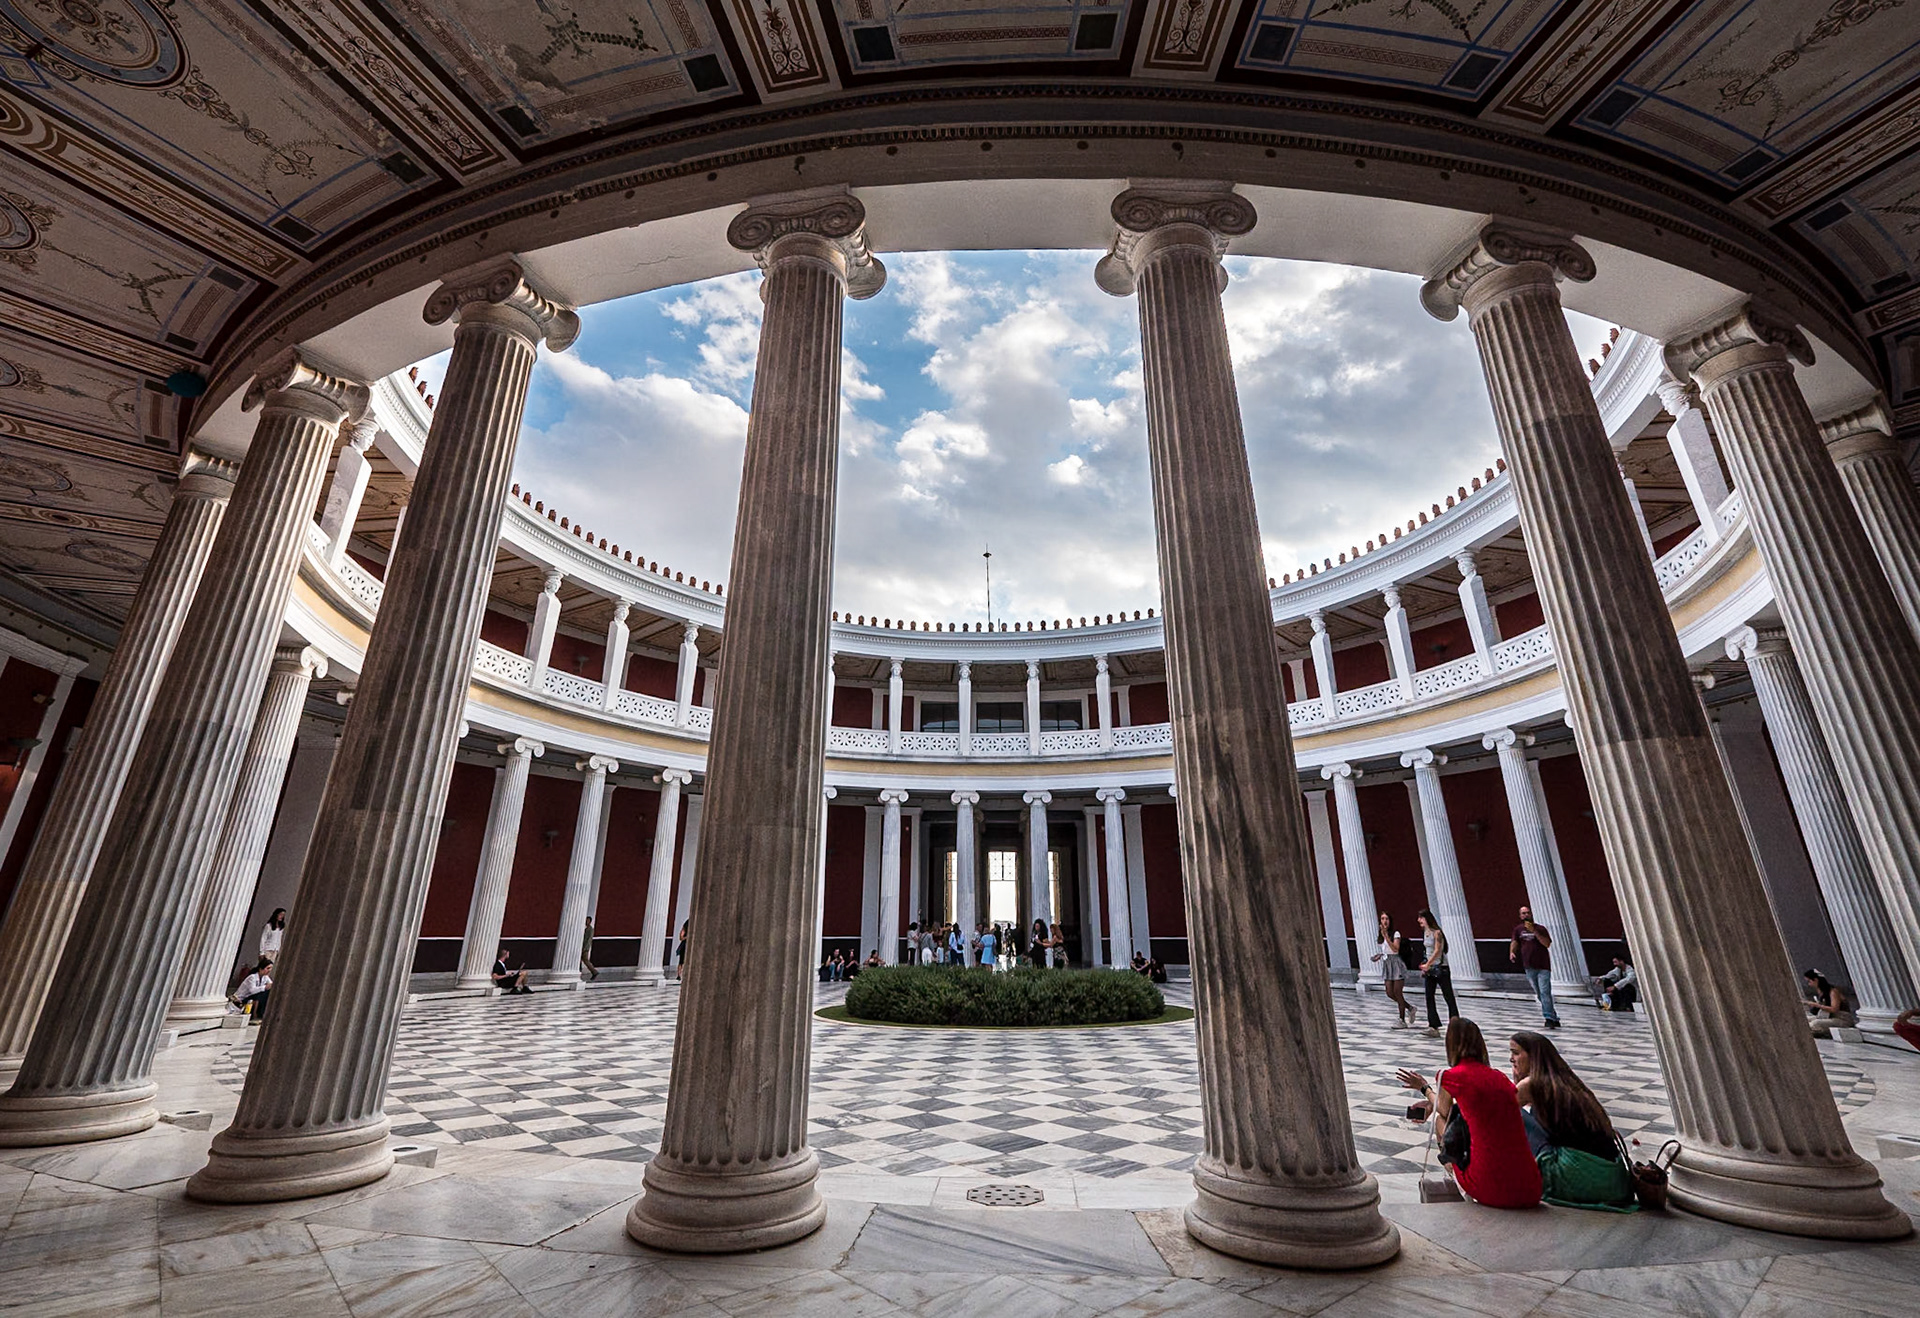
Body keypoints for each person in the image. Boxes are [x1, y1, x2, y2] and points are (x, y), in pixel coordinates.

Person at [1397, 1018, 1541, 1209]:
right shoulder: (1498, 1076)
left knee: (1441, 1120)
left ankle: (1455, 1178)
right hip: (1530, 1186)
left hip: (1492, 1188)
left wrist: (1425, 1089)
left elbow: (1444, 1109)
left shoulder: (1450, 1076)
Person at [1509, 1030, 1634, 1210]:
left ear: (1533, 1056)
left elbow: (1500, 1113)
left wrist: (1517, 1084)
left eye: (1515, 1053)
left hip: (1583, 1175)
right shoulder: (1565, 1081)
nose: (1511, 1059)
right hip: (1613, 1178)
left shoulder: (1531, 1084)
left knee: (1520, 1116)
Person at [1510, 905, 1561, 1029]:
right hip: (1529, 965)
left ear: (1531, 914)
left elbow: (1547, 943)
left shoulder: (1540, 929)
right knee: (1539, 993)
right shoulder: (1518, 930)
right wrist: (1512, 952)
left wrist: (1534, 931)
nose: (1526, 915)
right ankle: (1554, 1017)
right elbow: (1515, 941)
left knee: (1545, 992)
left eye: (1528, 912)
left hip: (1543, 965)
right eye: (1523, 913)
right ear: (1520, 916)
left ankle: (1548, 1018)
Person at [1417, 909, 1458, 1036]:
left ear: (1427, 918)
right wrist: (1425, 966)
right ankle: (1433, 1025)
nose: (1419, 920)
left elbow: (1438, 950)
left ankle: (1455, 1024)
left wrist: (1428, 964)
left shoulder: (1437, 933)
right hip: (1430, 969)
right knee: (1429, 996)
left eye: (1421, 918)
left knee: (1448, 996)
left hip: (1441, 968)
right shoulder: (1426, 933)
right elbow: (1427, 952)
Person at [1372, 911, 1413, 1029]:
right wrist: (1379, 955)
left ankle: (1402, 1020)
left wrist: (1386, 936)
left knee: (1397, 992)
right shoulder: (1381, 935)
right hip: (1387, 963)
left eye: (1387, 919)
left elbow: (1395, 949)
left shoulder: (1396, 934)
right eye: (1382, 919)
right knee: (1389, 992)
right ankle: (1410, 1008)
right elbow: (1386, 949)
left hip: (1396, 963)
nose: (1384, 921)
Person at [1805, 969, 1857, 1036]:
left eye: (1809, 981)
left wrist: (1817, 1005)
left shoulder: (1833, 991)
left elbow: (1834, 1009)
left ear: (1815, 980)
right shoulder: (1822, 992)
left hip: (1842, 1019)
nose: (1809, 984)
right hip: (1829, 1017)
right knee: (1805, 1019)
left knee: (1815, 1024)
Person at [580, 915, 598, 982]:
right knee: (581, 960)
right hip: (582, 947)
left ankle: (594, 971)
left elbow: (589, 940)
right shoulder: (586, 929)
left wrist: (585, 948)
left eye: (587, 920)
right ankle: (580, 971)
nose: (586, 922)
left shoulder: (590, 929)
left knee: (585, 960)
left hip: (585, 948)